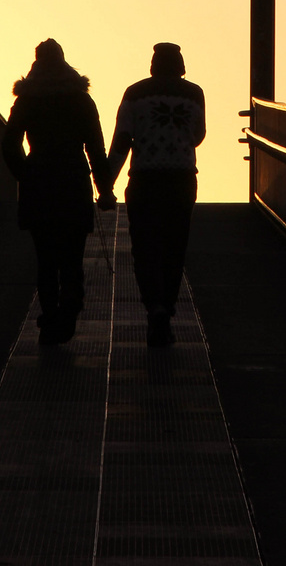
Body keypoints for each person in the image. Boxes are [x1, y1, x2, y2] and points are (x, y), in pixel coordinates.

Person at [2, 39, 114, 345]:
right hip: (72, 181)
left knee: (46, 259)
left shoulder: (27, 100)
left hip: (39, 182)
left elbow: (9, 143)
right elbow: (96, 147)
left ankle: (51, 315)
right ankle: (69, 311)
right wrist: (104, 190)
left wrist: (25, 174)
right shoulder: (80, 99)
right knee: (72, 257)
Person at [104, 42, 205, 348]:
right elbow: (198, 135)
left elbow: (122, 138)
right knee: (174, 247)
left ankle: (154, 307)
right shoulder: (194, 93)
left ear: (152, 64)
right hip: (182, 179)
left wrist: (105, 183)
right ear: (181, 64)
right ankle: (168, 309)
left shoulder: (134, 93)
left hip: (145, 180)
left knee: (146, 247)